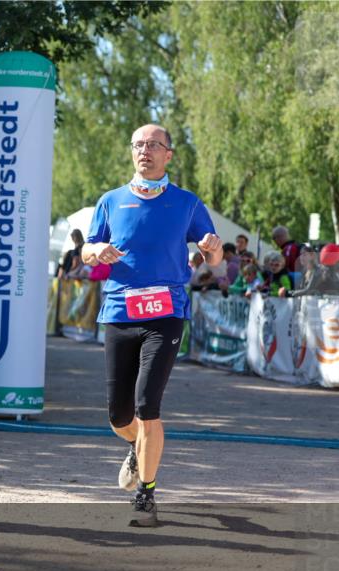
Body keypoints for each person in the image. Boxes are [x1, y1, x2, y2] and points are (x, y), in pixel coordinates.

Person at [81, 123, 222, 527]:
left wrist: (212, 250)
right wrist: (95, 250)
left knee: (147, 405)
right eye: (138, 145)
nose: (145, 151)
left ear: (169, 155)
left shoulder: (187, 203)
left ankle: (146, 493)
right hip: (119, 312)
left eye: (153, 145)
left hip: (166, 313)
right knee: (118, 416)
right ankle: (136, 448)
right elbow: (89, 247)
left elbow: (213, 257)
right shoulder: (110, 201)